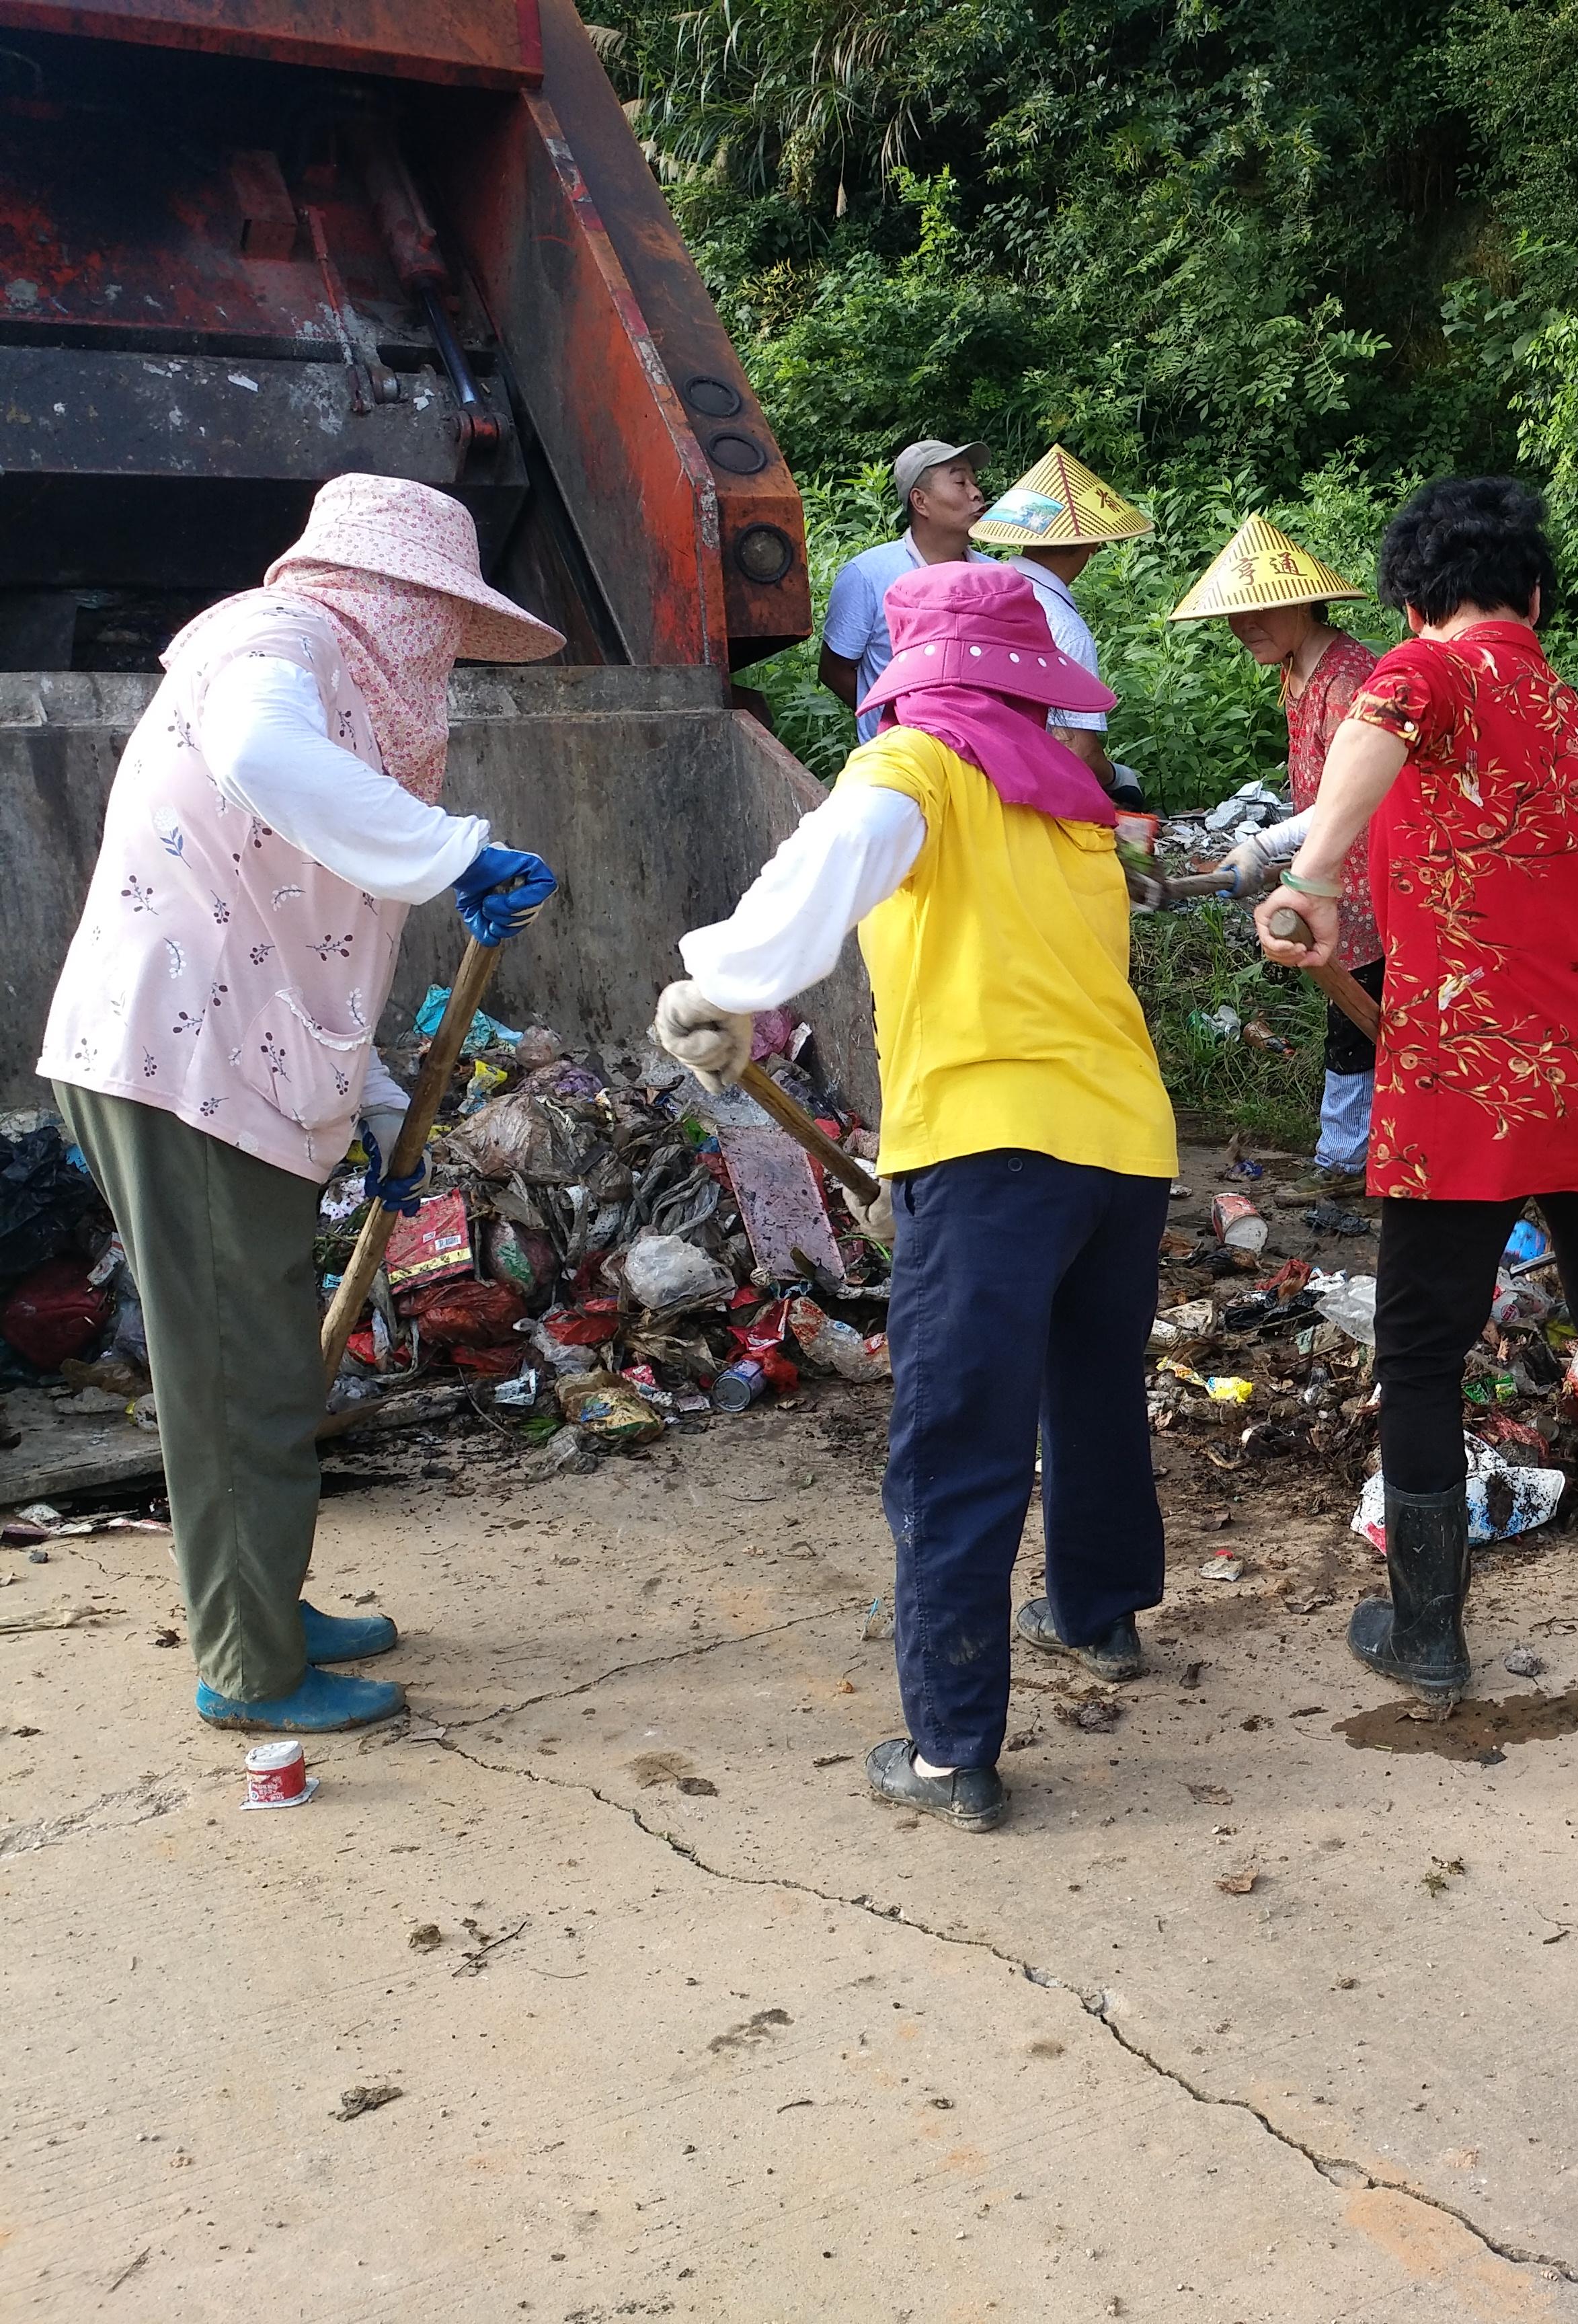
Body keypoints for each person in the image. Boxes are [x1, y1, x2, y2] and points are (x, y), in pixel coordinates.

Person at [34, 472, 563, 1731]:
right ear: (387, 592)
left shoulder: (331, 686)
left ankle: (265, 1600)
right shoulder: (277, 642)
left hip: (223, 1060)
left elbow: (305, 935)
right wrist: (451, 853)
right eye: (434, 615)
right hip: (183, 1068)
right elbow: (264, 760)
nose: (442, 650)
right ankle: (250, 1665)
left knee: (262, 1360)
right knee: (239, 1384)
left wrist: (375, 1104)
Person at [655, 561, 1177, 1834]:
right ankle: (1096, 1616)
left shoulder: (914, 768)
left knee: (955, 1439)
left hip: (990, 1151)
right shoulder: (1071, 802)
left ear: (911, 680)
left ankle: (951, 1749)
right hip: (1123, 1145)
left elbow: (821, 872)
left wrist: (718, 984)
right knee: (1088, 1397)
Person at [1259, 478, 1578, 1700]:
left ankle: (1426, 1635)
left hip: (1472, 1072)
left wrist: (1310, 881)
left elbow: (1384, 715)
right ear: (1533, 592)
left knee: (1420, 1345)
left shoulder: (1430, 677)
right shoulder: (1575, 720)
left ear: (1411, 603)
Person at [1169, 514, 1386, 1187]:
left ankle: (1348, 1160)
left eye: (1260, 611)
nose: (1246, 627)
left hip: (1374, 877)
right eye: (1236, 616)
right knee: (1353, 1014)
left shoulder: (1350, 679)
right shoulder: (1296, 671)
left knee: (1366, 1020)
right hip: (1331, 877)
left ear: (1303, 602)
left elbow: (1355, 797)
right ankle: (1362, 1151)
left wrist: (1263, 844)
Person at [976, 443, 1156, 810]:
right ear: (1094, 544)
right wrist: (1117, 778)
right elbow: (1077, 747)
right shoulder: (1062, 626)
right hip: (1030, 794)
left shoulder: (982, 589)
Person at [818, 440, 1003, 737]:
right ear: (920, 501)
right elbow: (834, 670)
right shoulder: (868, 576)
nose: (976, 492)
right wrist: (890, 719)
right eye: (960, 482)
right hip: (901, 767)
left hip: (983, 759)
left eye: (975, 481)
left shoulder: (997, 579)